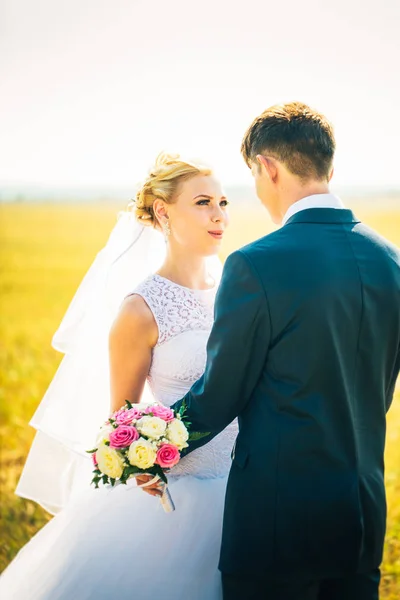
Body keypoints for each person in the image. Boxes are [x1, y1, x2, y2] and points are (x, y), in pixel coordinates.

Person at [158, 102, 400, 600]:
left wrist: (146, 446)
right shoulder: (391, 261)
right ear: (328, 167)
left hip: (277, 518)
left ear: (267, 167)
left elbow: (219, 395)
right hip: (363, 508)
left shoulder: (255, 265)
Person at [0, 153, 236, 600]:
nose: (219, 215)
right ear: (164, 211)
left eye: (223, 202)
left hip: (246, 481)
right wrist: (142, 463)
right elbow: (121, 419)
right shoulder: (140, 308)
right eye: (203, 202)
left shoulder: (233, 286)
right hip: (180, 498)